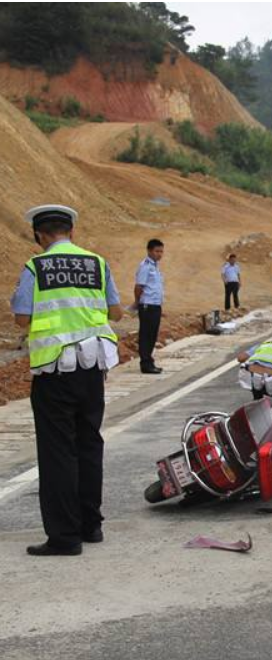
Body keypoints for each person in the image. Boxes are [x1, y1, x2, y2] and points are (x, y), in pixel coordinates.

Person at [10, 205, 123, 556]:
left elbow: (21, 318)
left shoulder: (35, 266)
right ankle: (91, 525)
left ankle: (64, 536)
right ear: (71, 232)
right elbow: (116, 311)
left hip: (54, 370)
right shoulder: (97, 263)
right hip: (92, 368)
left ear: (40, 235)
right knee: (89, 443)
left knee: (58, 450)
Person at [134, 238, 165, 374]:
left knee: (152, 334)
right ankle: (145, 363)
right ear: (149, 251)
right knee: (146, 335)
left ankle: (149, 360)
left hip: (155, 305)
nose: (160, 254)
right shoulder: (145, 266)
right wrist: (138, 302)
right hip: (147, 305)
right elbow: (138, 287)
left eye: (161, 251)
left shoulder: (154, 266)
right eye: (157, 251)